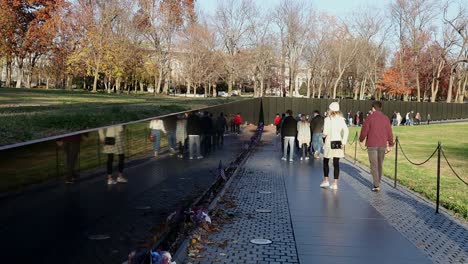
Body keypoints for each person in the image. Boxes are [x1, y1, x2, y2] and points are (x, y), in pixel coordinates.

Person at [359, 101, 394, 192]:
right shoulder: (386, 118)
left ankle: (376, 184)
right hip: (382, 144)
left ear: (373, 108)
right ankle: (378, 182)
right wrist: (391, 144)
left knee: (374, 164)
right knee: (379, 164)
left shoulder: (369, 117)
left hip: (372, 144)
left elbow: (364, 131)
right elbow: (389, 132)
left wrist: (361, 139)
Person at [320, 102, 348, 190]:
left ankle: (326, 180)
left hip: (329, 141)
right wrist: (343, 142)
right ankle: (335, 183)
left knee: (326, 161)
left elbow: (325, 132)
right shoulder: (341, 119)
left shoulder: (327, 119)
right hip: (338, 142)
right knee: (336, 163)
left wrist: (323, 135)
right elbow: (346, 131)